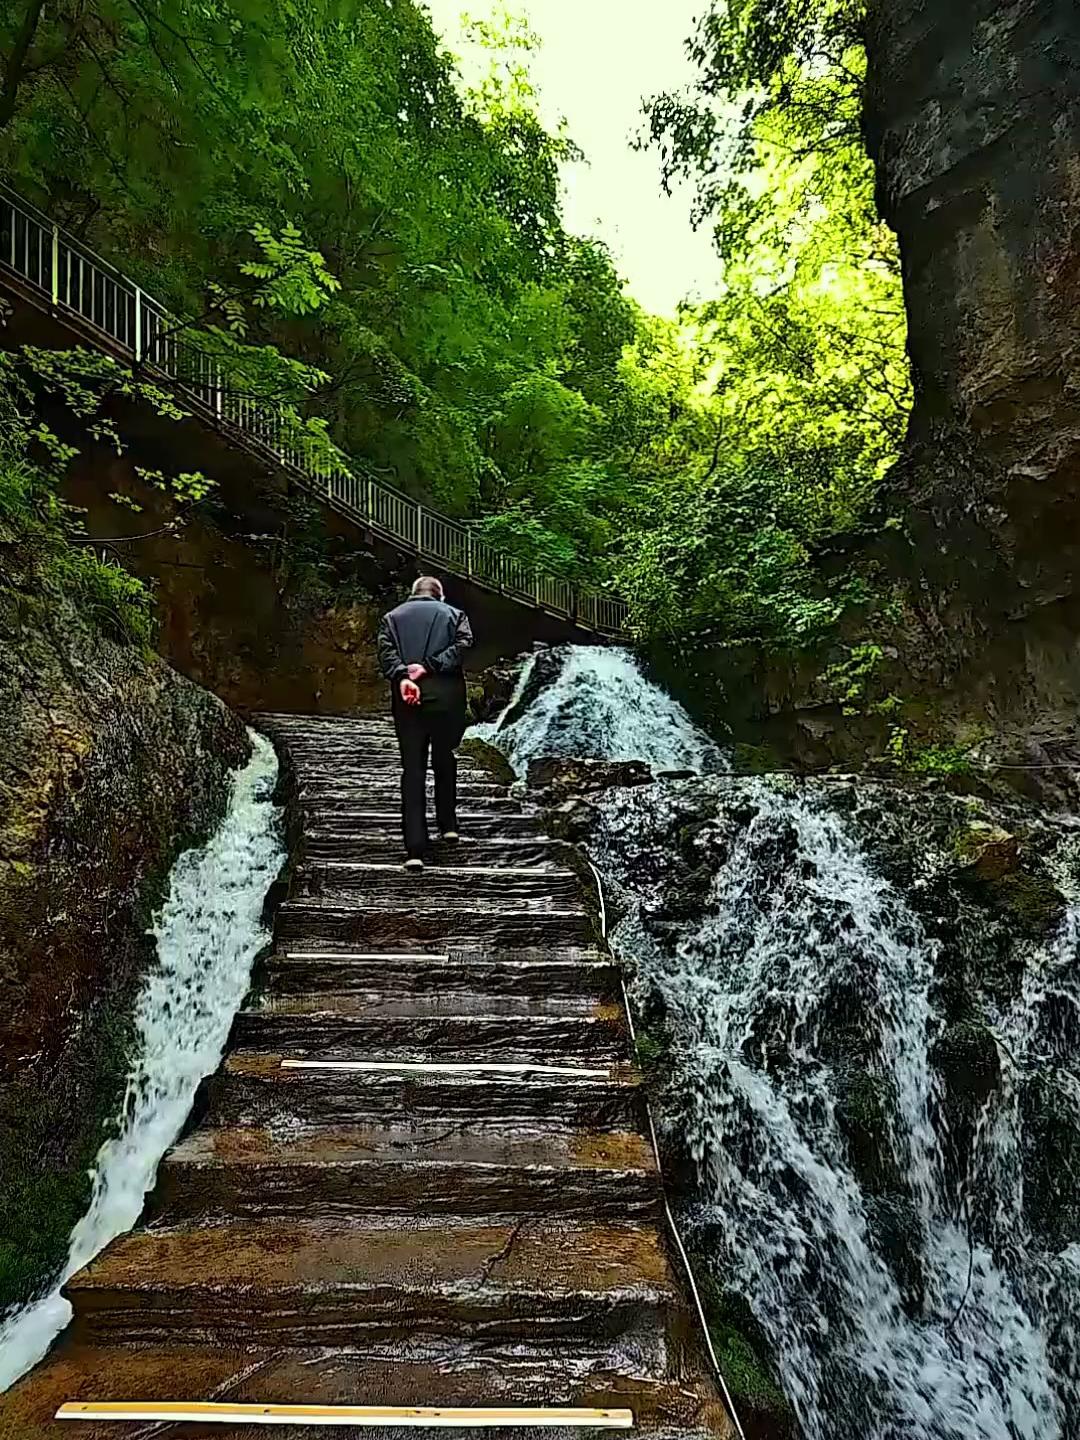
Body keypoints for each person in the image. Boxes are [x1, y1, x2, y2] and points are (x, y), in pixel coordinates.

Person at [376, 576, 474, 870]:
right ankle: (448, 825)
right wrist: (430, 666)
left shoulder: (391, 618)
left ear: (413, 594)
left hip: (408, 701)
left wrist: (405, 675)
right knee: (445, 757)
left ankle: (415, 849)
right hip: (446, 700)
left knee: (413, 770)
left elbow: (386, 654)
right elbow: (464, 644)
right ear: (439, 596)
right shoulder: (455, 615)